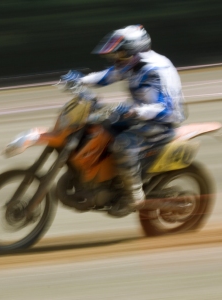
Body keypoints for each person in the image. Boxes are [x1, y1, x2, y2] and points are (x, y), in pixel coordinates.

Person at [72, 25, 187, 217]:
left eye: (121, 53)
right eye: (116, 54)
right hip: (139, 115)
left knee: (123, 144)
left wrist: (136, 111)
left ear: (136, 51)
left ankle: (134, 194)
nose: (116, 58)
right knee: (97, 127)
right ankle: (106, 180)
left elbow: (164, 107)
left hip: (162, 121)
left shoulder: (155, 70)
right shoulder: (133, 64)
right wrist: (80, 80)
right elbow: (107, 76)